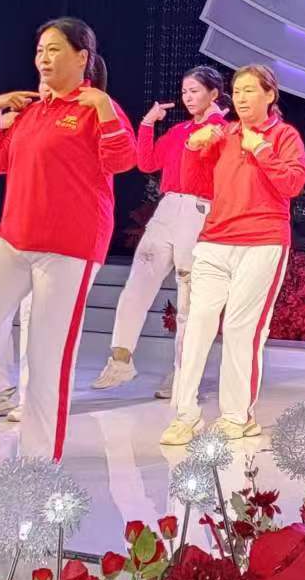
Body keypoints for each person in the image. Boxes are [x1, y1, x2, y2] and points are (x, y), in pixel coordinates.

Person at [0, 19, 136, 466]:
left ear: (82, 57)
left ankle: (40, 458)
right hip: (13, 237)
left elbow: (122, 160)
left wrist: (102, 106)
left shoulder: (97, 107)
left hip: (70, 244)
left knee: (47, 352)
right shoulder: (32, 110)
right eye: (40, 50)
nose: (43, 58)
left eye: (54, 49)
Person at [161, 64, 305, 445]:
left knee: (242, 329)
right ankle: (185, 414)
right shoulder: (223, 133)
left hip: (262, 242)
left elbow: (292, 183)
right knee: (198, 324)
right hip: (215, 239)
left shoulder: (284, 135)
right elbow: (192, 181)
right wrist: (193, 148)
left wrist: (260, 148)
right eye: (237, 91)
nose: (241, 98)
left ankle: (236, 416)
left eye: (249, 90)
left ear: (269, 95)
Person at [93, 66, 229, 400]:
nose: (188, 97)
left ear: (213, 93)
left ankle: (184, 374)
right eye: (184, 92)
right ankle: (120, 360)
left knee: (188, 302)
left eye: (195, 91)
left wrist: (215, 121)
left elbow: (215, 162)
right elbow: (147, 163)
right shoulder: (179, 130)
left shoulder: (222, 130)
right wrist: (147, 124)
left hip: (198, 213)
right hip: (167, 210)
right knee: (137, 284)